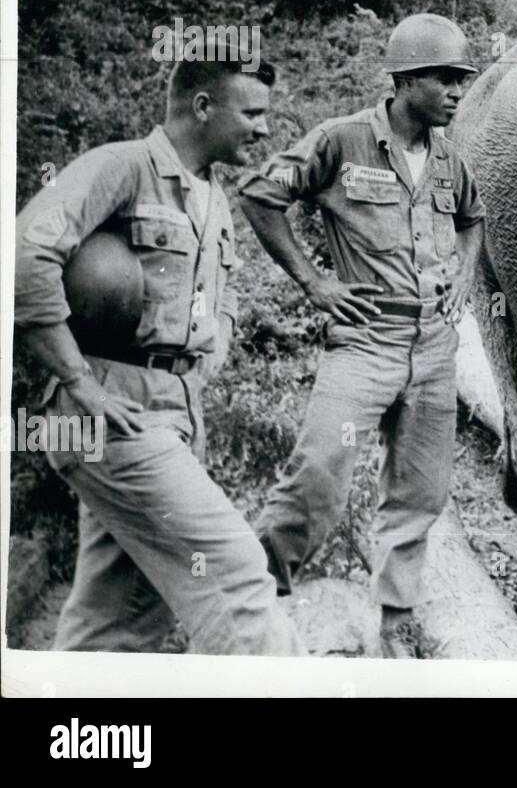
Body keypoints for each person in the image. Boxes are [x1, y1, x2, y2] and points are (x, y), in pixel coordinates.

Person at [13, 44, 303, 656]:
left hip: (173, 413)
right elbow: (25, 256)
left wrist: (212, 342)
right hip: (106, 412)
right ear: (202, 106)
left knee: (121, 618)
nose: (264, 129)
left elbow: (216, 296)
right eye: (252, 113)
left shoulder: (211, 195)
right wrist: (79, 381)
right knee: (236, 574)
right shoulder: (121, 167)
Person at [238, 13, 484, 659]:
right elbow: (261, 195)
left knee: (419, 494)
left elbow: (472, 218)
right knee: (320, 472)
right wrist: (314, 282)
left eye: (462, 78)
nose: (458, 90)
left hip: (433, 347)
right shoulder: (341, 140)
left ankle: (395, 623)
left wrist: (465, 276)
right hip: (365, 341)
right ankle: (257, 599)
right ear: (404, 81)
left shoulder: (450, 157)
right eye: (445, 78)